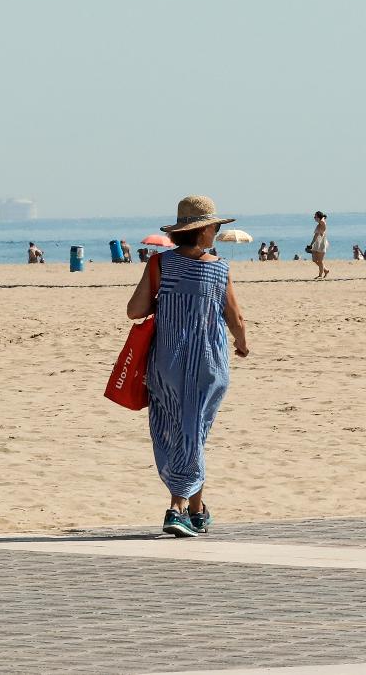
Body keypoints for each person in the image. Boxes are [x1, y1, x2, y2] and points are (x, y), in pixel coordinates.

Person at [127, 195, 247, 537]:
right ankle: (177, 508)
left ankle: (197, 510)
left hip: (166, 364)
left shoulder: (159, 264)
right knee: (194, 432)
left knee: (179, 432)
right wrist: (241, 343)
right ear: (205, 230)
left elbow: (135, 311)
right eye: (214, 228)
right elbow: (235, 317)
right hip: (209, 363)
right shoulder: (219, 267)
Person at [309, 211, 330, 279]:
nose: (314, 218)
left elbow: (323, 221)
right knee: (314, 260)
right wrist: (311, 244)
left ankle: (320, 275)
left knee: (320, 261)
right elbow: (315, 236)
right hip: (316, 243)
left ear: (319, 217)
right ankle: (325, 270)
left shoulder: (322, 223)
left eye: (315, 216)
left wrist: (322, 217)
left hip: (322, 243)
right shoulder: (319, 224)